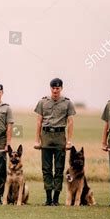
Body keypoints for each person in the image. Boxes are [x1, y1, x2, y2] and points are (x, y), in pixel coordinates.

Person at [34, 78, 75, 206]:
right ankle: (48, 198)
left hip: (59, 136)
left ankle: (56, 198)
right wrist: (37, 140)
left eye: (57, 88)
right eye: (53, 88)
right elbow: (39, 121)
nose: (55, 90)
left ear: (61, 88)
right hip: (46, 135)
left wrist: (69, 141)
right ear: (50, 88)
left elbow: (70, 122)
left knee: (59, 168)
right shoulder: (43, 102)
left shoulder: (67, 103)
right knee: (46, 169)